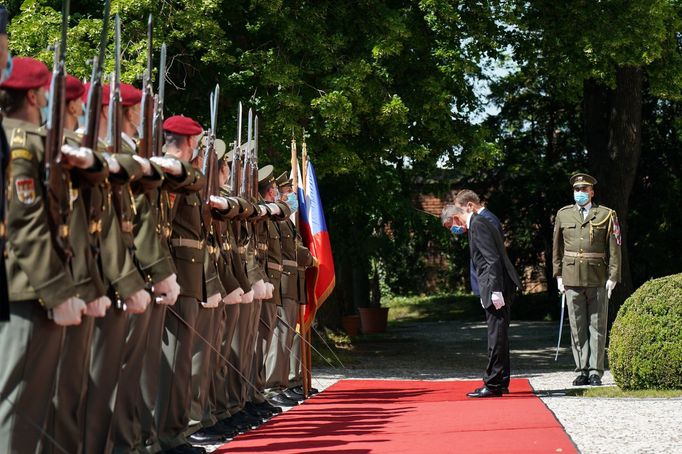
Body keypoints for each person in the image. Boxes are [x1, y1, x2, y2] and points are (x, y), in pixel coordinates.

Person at [0, 55, 87, 454]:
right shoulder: (23, 143)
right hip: (26, 286)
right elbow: (26, 220)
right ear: (35, 96)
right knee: (18, 406)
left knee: (29, 405)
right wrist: (57, 288)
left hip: (28, 284)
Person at [441, 204, 521, 397]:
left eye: (450, 226)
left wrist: (495, 291)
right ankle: (498, 381)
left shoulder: (477, 224)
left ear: (456, 218)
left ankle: (493, 383)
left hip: (496, 286)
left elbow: (491, 259)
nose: (453, 230)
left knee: (496, 336)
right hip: (494, 286)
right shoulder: (478, 223)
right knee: (498, 334)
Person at [552, 173, 621, 387]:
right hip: (571, 277)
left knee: (597, 326)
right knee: (577, 326)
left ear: (592, 192)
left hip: (597, 277)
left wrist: (613, 276)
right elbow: (557, 247)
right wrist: (559, 275)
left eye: (584, 190)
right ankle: (581, 369)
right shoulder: (564, 215)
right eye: (576, 190)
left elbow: (615, 247)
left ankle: (595, 371)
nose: (580, 193)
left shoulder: (607, 214)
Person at [454, 189, 503, 296]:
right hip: (485, 285)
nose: (459, 214)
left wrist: (495, 290)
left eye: (460, 210)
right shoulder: (478, 220)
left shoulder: (486, 219)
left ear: (470, 206)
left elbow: (492, 257)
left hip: (491, 285)